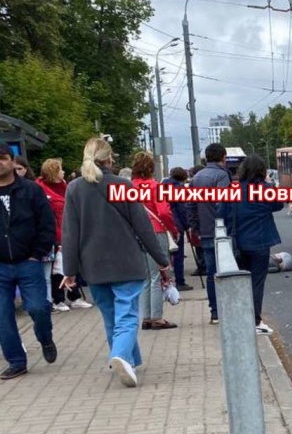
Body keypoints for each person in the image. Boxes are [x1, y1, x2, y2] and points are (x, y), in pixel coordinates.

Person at [61, 138, 171, 388]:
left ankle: (129, 360)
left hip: (93, 265)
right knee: (127, 314)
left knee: (111, 316)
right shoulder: (123, 185)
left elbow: (69, 233)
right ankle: (121, 356)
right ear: (110, 159)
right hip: (126, 262)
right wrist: (162, 261)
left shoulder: (74, 188)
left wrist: (69, 271)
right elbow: (143, 228)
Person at [0, 141, 58, 380]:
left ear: (13, 161)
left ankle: (45, 338)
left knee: (37, 308)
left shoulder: (31, 190)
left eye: (2, 157)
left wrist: (38, 253)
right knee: (3, 316)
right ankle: (16, 361)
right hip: (1, 265)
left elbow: (46, 223)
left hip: (28, 261)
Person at [216, 154, 284, 335]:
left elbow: (221, 212)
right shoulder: (265, 189)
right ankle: (254, 320)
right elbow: (278, 205)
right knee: (257, 283)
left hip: (238, 242)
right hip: (260, 243)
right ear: (262, 171)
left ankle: (239, 318)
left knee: (240, 282)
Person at [131, 151, 180, 331]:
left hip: (136, 234)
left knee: (144, 278)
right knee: (157, 275)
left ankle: (146, 317)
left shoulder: (129, 187)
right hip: (156, 232)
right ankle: (157, 317)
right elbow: (164, 212)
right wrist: (173, 230)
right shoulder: (155, 186)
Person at [36, 158, 91, 311]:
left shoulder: (65, 186)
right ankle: (57, 298)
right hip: (56, 233)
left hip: (68, 230)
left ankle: (75, 297)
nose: (63, 172)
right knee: (57, 270)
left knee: (72, 265)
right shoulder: (42, 190)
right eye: (60, 169)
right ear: (53, 171)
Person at [187, 144, 231, 324]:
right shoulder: (221, 175)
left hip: (205, 232)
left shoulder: (196, 178)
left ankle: (214, 312)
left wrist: (196, 227)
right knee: (227, 273)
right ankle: (226, 309)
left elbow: (190, 206)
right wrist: (224, 224)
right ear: (223, 158)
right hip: (222, 232)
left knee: (211, 274)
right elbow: (224, 203)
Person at [162, 166, 193, 292]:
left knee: (164, 255)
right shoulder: (178, 188)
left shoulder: (162, 186)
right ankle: (180, 281)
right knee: (178, 255)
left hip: (161, 224)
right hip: (175, 224)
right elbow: (182, 209)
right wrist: (186, 226)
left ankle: (164, 282)